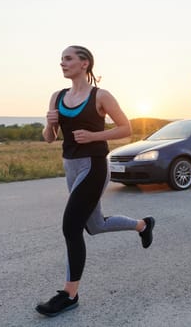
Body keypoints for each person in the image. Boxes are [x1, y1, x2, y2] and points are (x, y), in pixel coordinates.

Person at [36, 45, 155, 317]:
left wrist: (94, 137)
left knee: (71, 227)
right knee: (95, 225)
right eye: (61, 59)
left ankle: (69, 294)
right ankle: (143, 225)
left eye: (68, 58)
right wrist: (49, 123)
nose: (62, 63)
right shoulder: (57, 97)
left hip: (94, 166)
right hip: (70, 166)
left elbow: (127, 128)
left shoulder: (100, 95)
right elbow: (49, 138)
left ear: (84, 63)